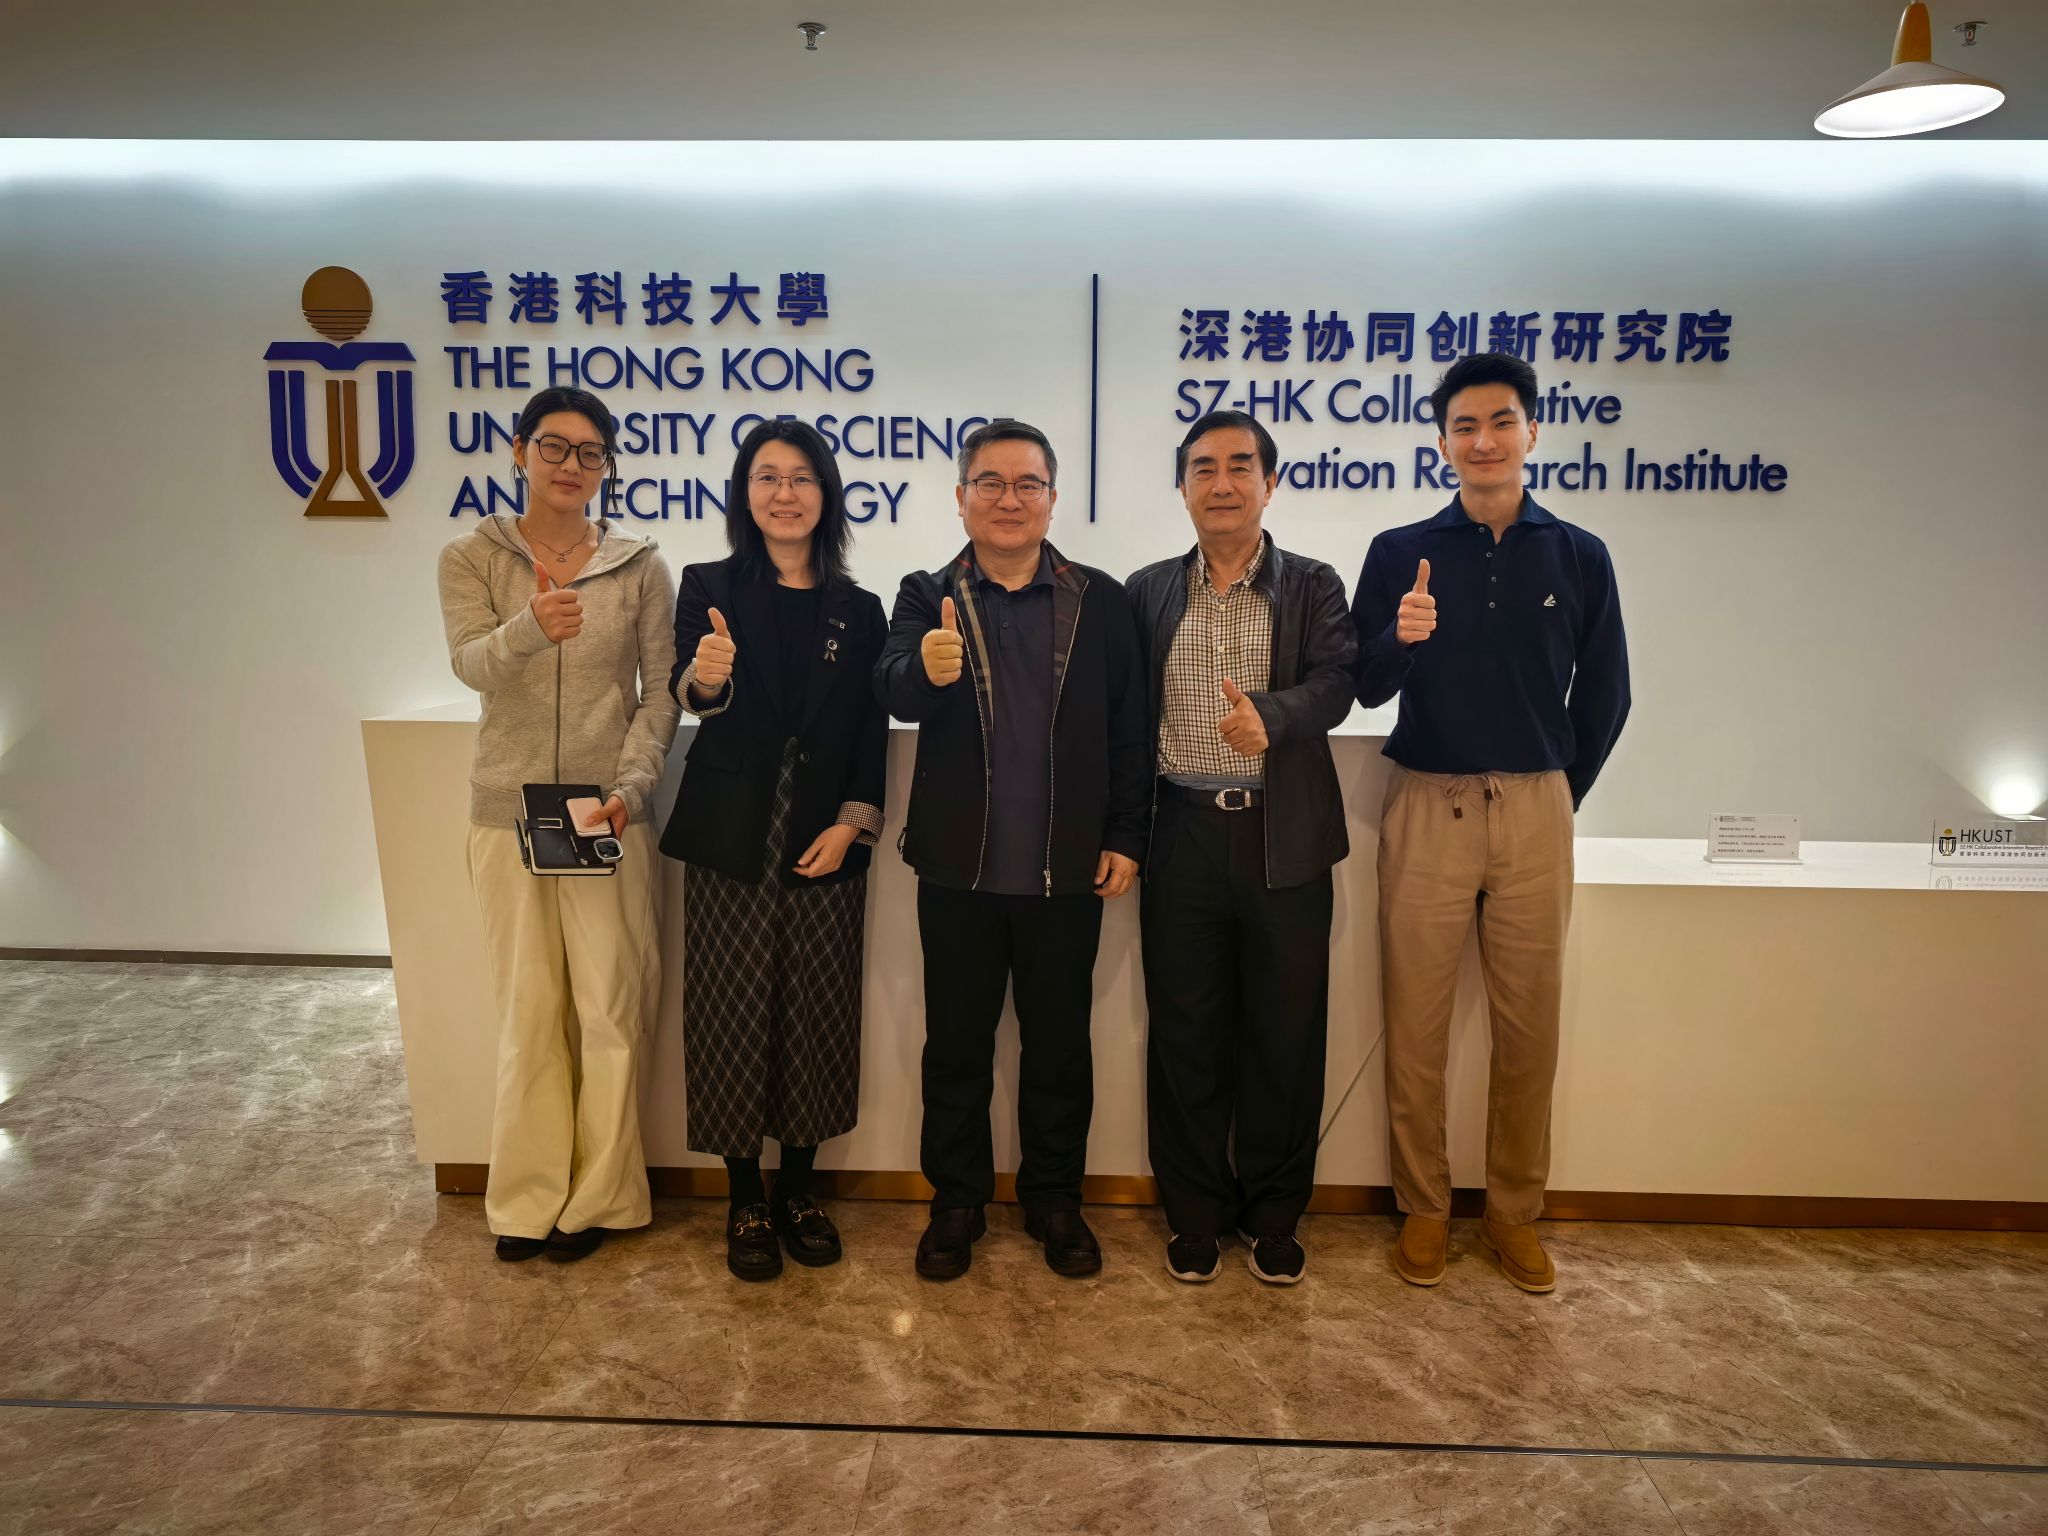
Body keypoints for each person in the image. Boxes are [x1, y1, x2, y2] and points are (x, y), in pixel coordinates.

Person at [1352, 352, 1631, 1293]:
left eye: (1501, 422)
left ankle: (1514, 1212)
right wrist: (1401, 638)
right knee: (1415, 1022)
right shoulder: (1399, 550)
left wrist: (1558, 791)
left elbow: (1608, 692)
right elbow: (1364, 685)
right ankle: (1424, 1208)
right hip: (1428, 803)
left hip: (1535, 808)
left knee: (1529, 1026)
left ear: (1532, 432)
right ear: (1441, 443)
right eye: (1465, 426)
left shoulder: (1578, 553)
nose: (1483, 440)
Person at [874, 419, 1149, 1281]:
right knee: (955, 1047)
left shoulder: (1100, 600)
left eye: (1027, 484)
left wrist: (1127, 836)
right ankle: (956, 1202)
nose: (1009, 499)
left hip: (1066, 870)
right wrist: (926, 668)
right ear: (961, 499)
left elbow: (1131, 729)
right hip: (959, 868)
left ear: (1052, 500)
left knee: (1059, 1049)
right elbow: (893, 687)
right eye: (990, 483)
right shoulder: (925, 594)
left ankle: (1054, 1200)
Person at [437, 385, 679, 1262]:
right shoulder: (471, 556)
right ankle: (527, 1199)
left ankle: (602, 1199)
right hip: (506, 813)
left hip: (600, 812)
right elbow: (471, 664)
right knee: (528, 1011)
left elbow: (661, 695)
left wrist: (632, 786)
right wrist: (530, 628)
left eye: (589, 452)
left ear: (606, 464)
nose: (571, 465)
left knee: (611, 1008)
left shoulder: (641, 567)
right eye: (554, 446)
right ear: (519, 451)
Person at [1126, 410, 1356, 1286]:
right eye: (1203, 468)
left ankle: (1273, 1215)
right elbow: (1124, 720)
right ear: (1182, 487)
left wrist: (1274, 716)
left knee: (1285, 1034)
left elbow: (1339, 682)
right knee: (1184, 1031)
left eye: (1239, 466)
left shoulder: (1313, 584)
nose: (1221, 483)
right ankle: (1194, 1214)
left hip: (1282, 835)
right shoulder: (1149, 590)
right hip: (1180, 830)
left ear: (1270, 482)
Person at [661, 419, 888, 1282]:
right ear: (744, 493)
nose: (784, 493)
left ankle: (798, 1189)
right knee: (728, 1008)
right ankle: (743, 1196)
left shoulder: (860, 608)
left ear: (825, 494)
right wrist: (707, 677)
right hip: (732, 826)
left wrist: (854, 821)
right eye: (767, 477)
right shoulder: (707, 585)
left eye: (801, 477)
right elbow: (692, 691)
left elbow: (869, 726)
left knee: (815, 1009)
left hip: (824, 830)